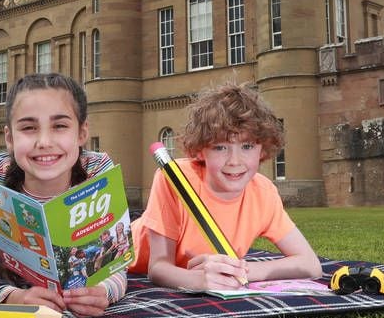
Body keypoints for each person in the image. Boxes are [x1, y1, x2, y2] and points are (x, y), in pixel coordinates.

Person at [0, 72, 125, 317]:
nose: (44, 141)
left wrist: (104, 290)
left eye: (60, 126)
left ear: (82, 133)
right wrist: (14, 297)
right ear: (9, 138)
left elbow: (117, 264)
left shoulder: (99, 172)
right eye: (29, 128)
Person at [129, 82, 322, 290]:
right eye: (220, 147)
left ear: (263, 150)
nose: (234, 161)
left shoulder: (264, 193)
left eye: (247, 146)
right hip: (126, 252)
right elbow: (158, 268)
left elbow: (310, 265)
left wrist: (243, 271)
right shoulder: (173, 178)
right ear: (200, 150)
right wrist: (198, 281)